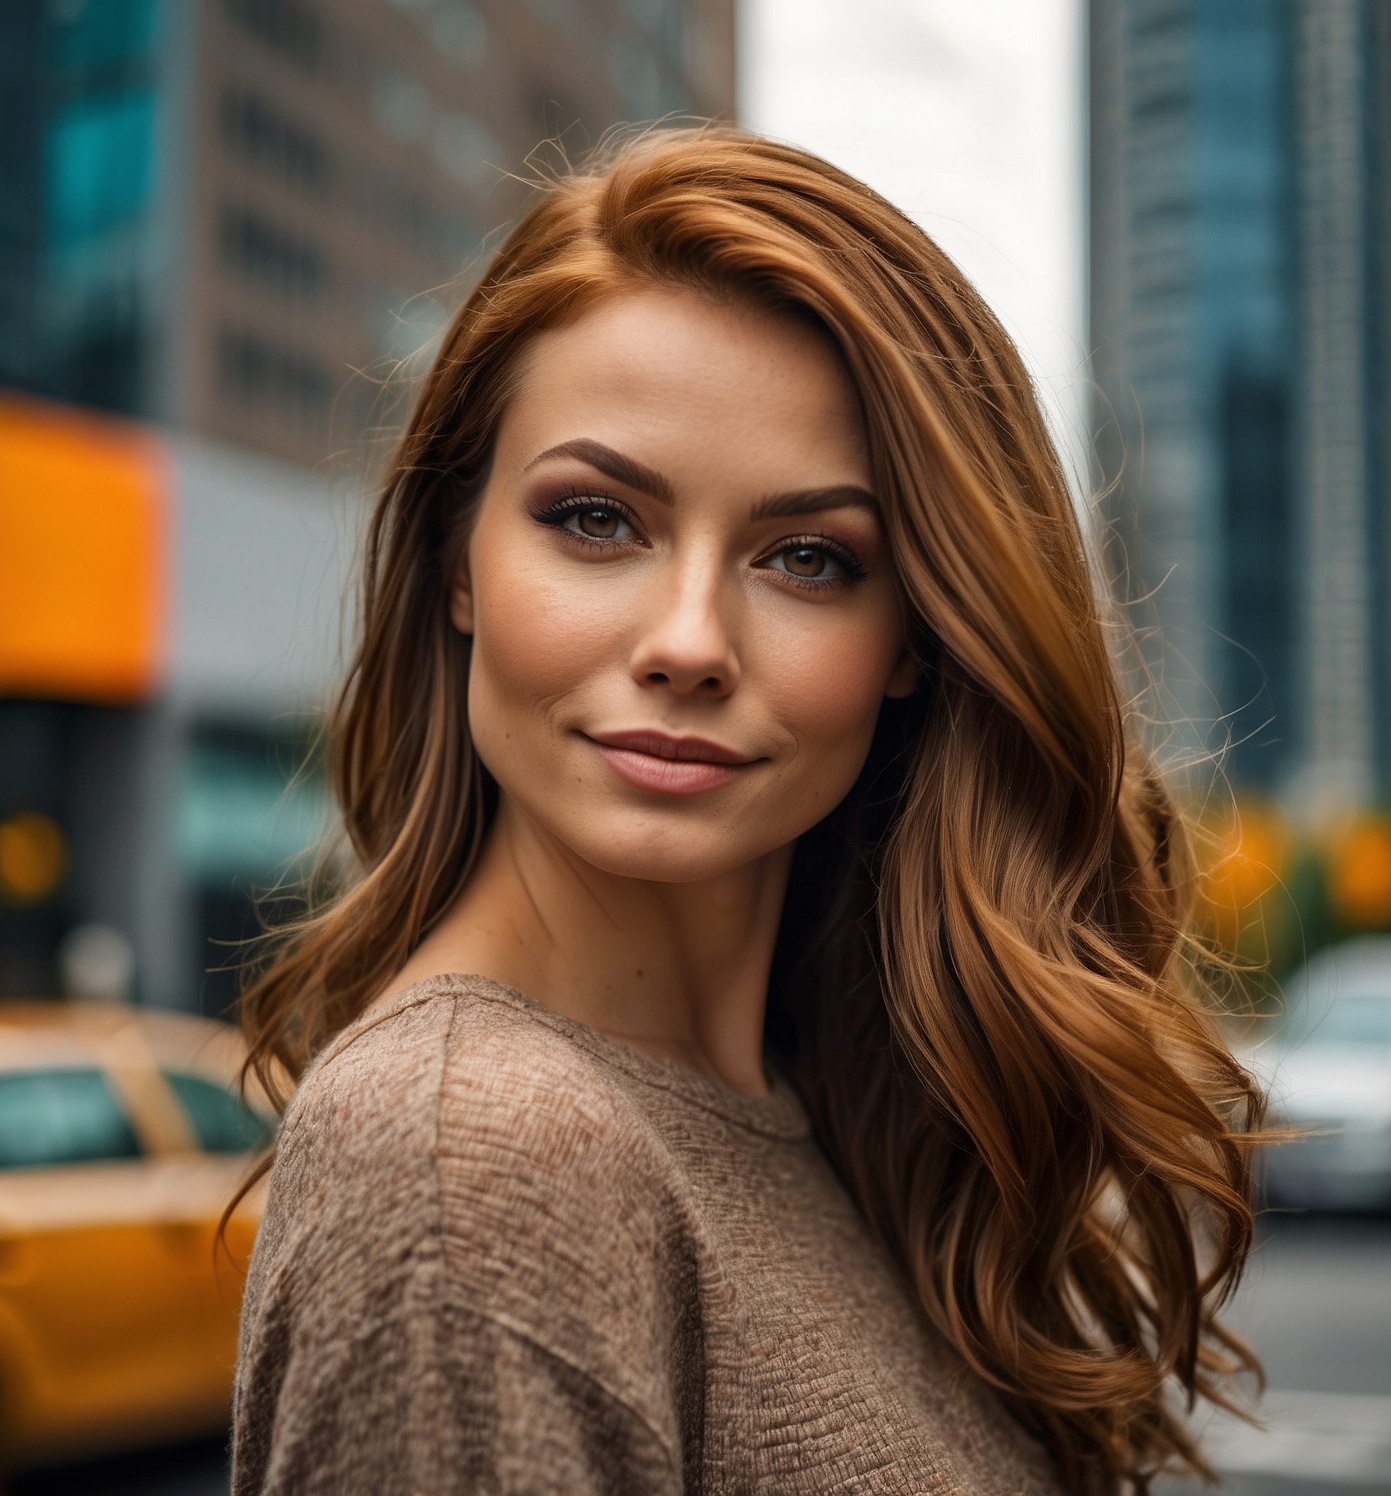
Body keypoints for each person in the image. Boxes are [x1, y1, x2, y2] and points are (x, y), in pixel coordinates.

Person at [230, 129, 1262, 1496]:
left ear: (916, 640)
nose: (691, 640)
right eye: (596, 519)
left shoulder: (837, 1114)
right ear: (455, 559)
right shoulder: (468, 1162)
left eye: (809, 558)